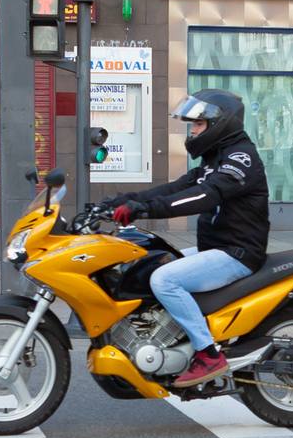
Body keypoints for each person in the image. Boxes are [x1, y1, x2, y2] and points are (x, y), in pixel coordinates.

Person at [107, 89, 270, 387]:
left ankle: (208, 354)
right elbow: (175, 188)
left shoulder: (240, 159)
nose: (192, 130)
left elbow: (204, 197)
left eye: (198, 125)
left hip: (237, 253)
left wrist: (144, 210)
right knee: (149, 262)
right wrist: (121, 200)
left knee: (164, 280)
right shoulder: (215, 158)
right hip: (216, 248)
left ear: (219, 124)